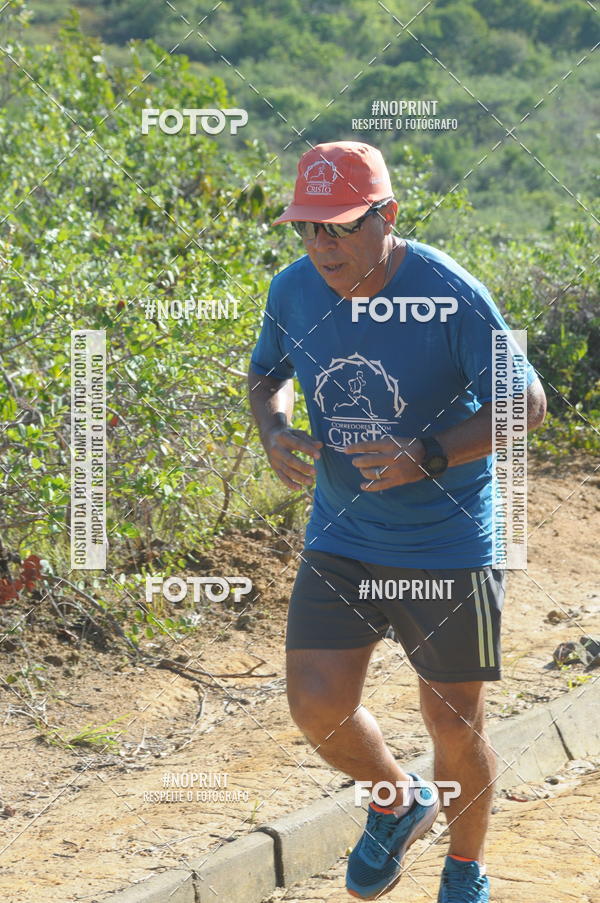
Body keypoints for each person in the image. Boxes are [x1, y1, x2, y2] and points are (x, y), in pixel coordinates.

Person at [247, 140, 546, 902]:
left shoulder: (447, 293)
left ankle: (464, 868)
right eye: (308, 228)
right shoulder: (293, 291)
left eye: (340, 227)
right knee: (316, 703)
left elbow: (529, 404)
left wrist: (430, 453)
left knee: (454, 722)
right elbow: (268, 372)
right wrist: (275, 429)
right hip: (343, 535)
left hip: (448, 543)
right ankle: (396, 798)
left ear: (388, 216)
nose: (322, 246)